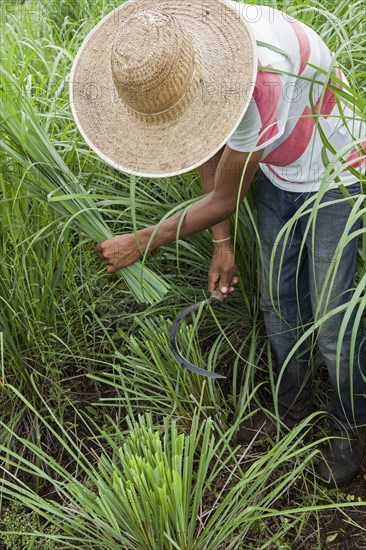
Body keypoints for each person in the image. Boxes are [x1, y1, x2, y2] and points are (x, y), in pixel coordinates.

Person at [70, 0, 366, 487]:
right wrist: (222, 247)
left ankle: (349, 429)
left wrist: (141, 243)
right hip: (276, 167)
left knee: (334, 325)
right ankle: (292, 414)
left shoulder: (258, 80)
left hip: (335, 170)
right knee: (277, 304)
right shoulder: (185, 40)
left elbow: (226, 196)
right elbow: (207, 147)